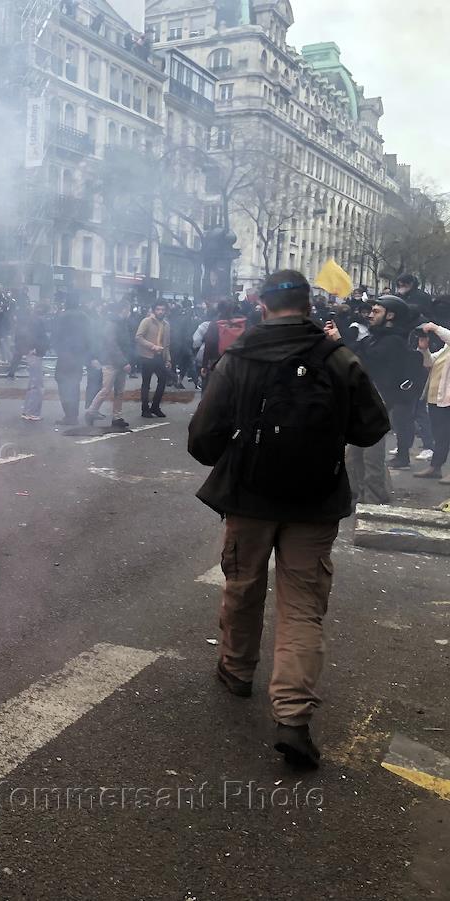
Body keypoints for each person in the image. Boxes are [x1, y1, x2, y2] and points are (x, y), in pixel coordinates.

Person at [188, 270, 390, 768]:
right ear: (308, 305)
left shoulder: (240, 357)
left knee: (243, 585)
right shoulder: (338, 357)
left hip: (249, 498)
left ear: (261, 305)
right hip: (316, 501)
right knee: (302, 606)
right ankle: (294, 718)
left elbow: (203, 438)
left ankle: (237, 671)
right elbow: (372, 427)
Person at [326, 296, 419, 490]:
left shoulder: (393, 341)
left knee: (370, 454)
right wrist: (337, 337)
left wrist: (339, 341)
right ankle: (355, 494)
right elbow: (355, 352)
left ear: (390, 316)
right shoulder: (376, 337)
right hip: (366, 399)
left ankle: (373, 497)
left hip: (378, 400)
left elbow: (362, 362)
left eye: (376, 312)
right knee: (353, 455)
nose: (370, 315)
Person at [83, 303, 133, 429]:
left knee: (119, 391)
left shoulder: (122, 324)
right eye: (128, 309)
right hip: (111, 362)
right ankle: (91, 412)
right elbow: (112, 345)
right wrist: (124, 362)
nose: (130, 312)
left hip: (120, 361)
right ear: (123, 310)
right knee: (106, 390)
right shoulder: (112, 324)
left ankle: (117, 417)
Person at [414, 321, 450, 483]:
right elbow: (429, 363)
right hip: (437, 398)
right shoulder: (446, 348)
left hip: (447, 399)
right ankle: (435, 467)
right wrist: (424, 349)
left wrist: (435, 328)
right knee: (440, 435)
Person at [51, 297, 90, 425]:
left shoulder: (62, 317)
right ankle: (74, 415)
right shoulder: (84, 317)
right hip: (78, 357)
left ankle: (69, 415)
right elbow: (90, 336)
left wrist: (59, 350)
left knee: (63, 385)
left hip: (64, 356)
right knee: (75, 385)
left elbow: (55, 336)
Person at [135, 301, 172, 418]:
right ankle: (145, 409)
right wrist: (152, 346)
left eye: (162, 309)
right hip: (147, 356)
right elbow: (138, 337)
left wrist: (168, 359)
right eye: (158, 309)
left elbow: (167, 344)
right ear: (154, 310)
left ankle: (155, 406)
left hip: (160, 356)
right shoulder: (147, 321)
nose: (160, 312)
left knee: (163, 380)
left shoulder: (166, 325)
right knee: (146, 383)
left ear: (166, 311)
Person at [18, 304, 50, 422]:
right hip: (35, 354)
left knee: (33, 383)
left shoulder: (30, 320)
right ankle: (32, 412)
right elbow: (38, 337)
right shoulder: (37, 322)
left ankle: (27, 410)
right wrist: (34, 348)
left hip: (32, 353)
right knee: (37, 385)